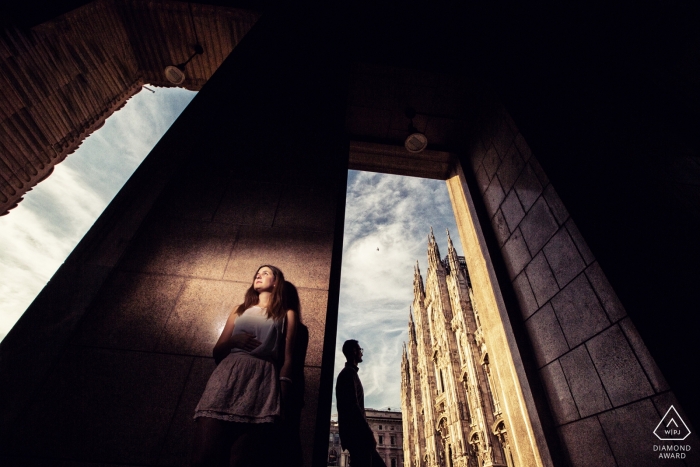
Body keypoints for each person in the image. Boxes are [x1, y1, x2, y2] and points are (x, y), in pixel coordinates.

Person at [191, 265, 297, 467]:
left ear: (276, 282)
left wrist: (283, 396)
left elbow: (288, 358)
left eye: (266, 273)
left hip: (262, 378)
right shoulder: (239, 310)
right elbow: (217, 351)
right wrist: (234, 341)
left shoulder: (286, 313)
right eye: (258, 272)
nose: (259, 274)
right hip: (228, 373)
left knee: (242, 459)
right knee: (203, 457)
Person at [335, 340, 387, 467]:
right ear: (354, 352)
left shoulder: (349, 373)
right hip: (358, 436)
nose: (361, 354)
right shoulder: (348, 374)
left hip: (357, 435)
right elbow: (353, 407)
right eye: (360, 350)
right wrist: (368, 433)